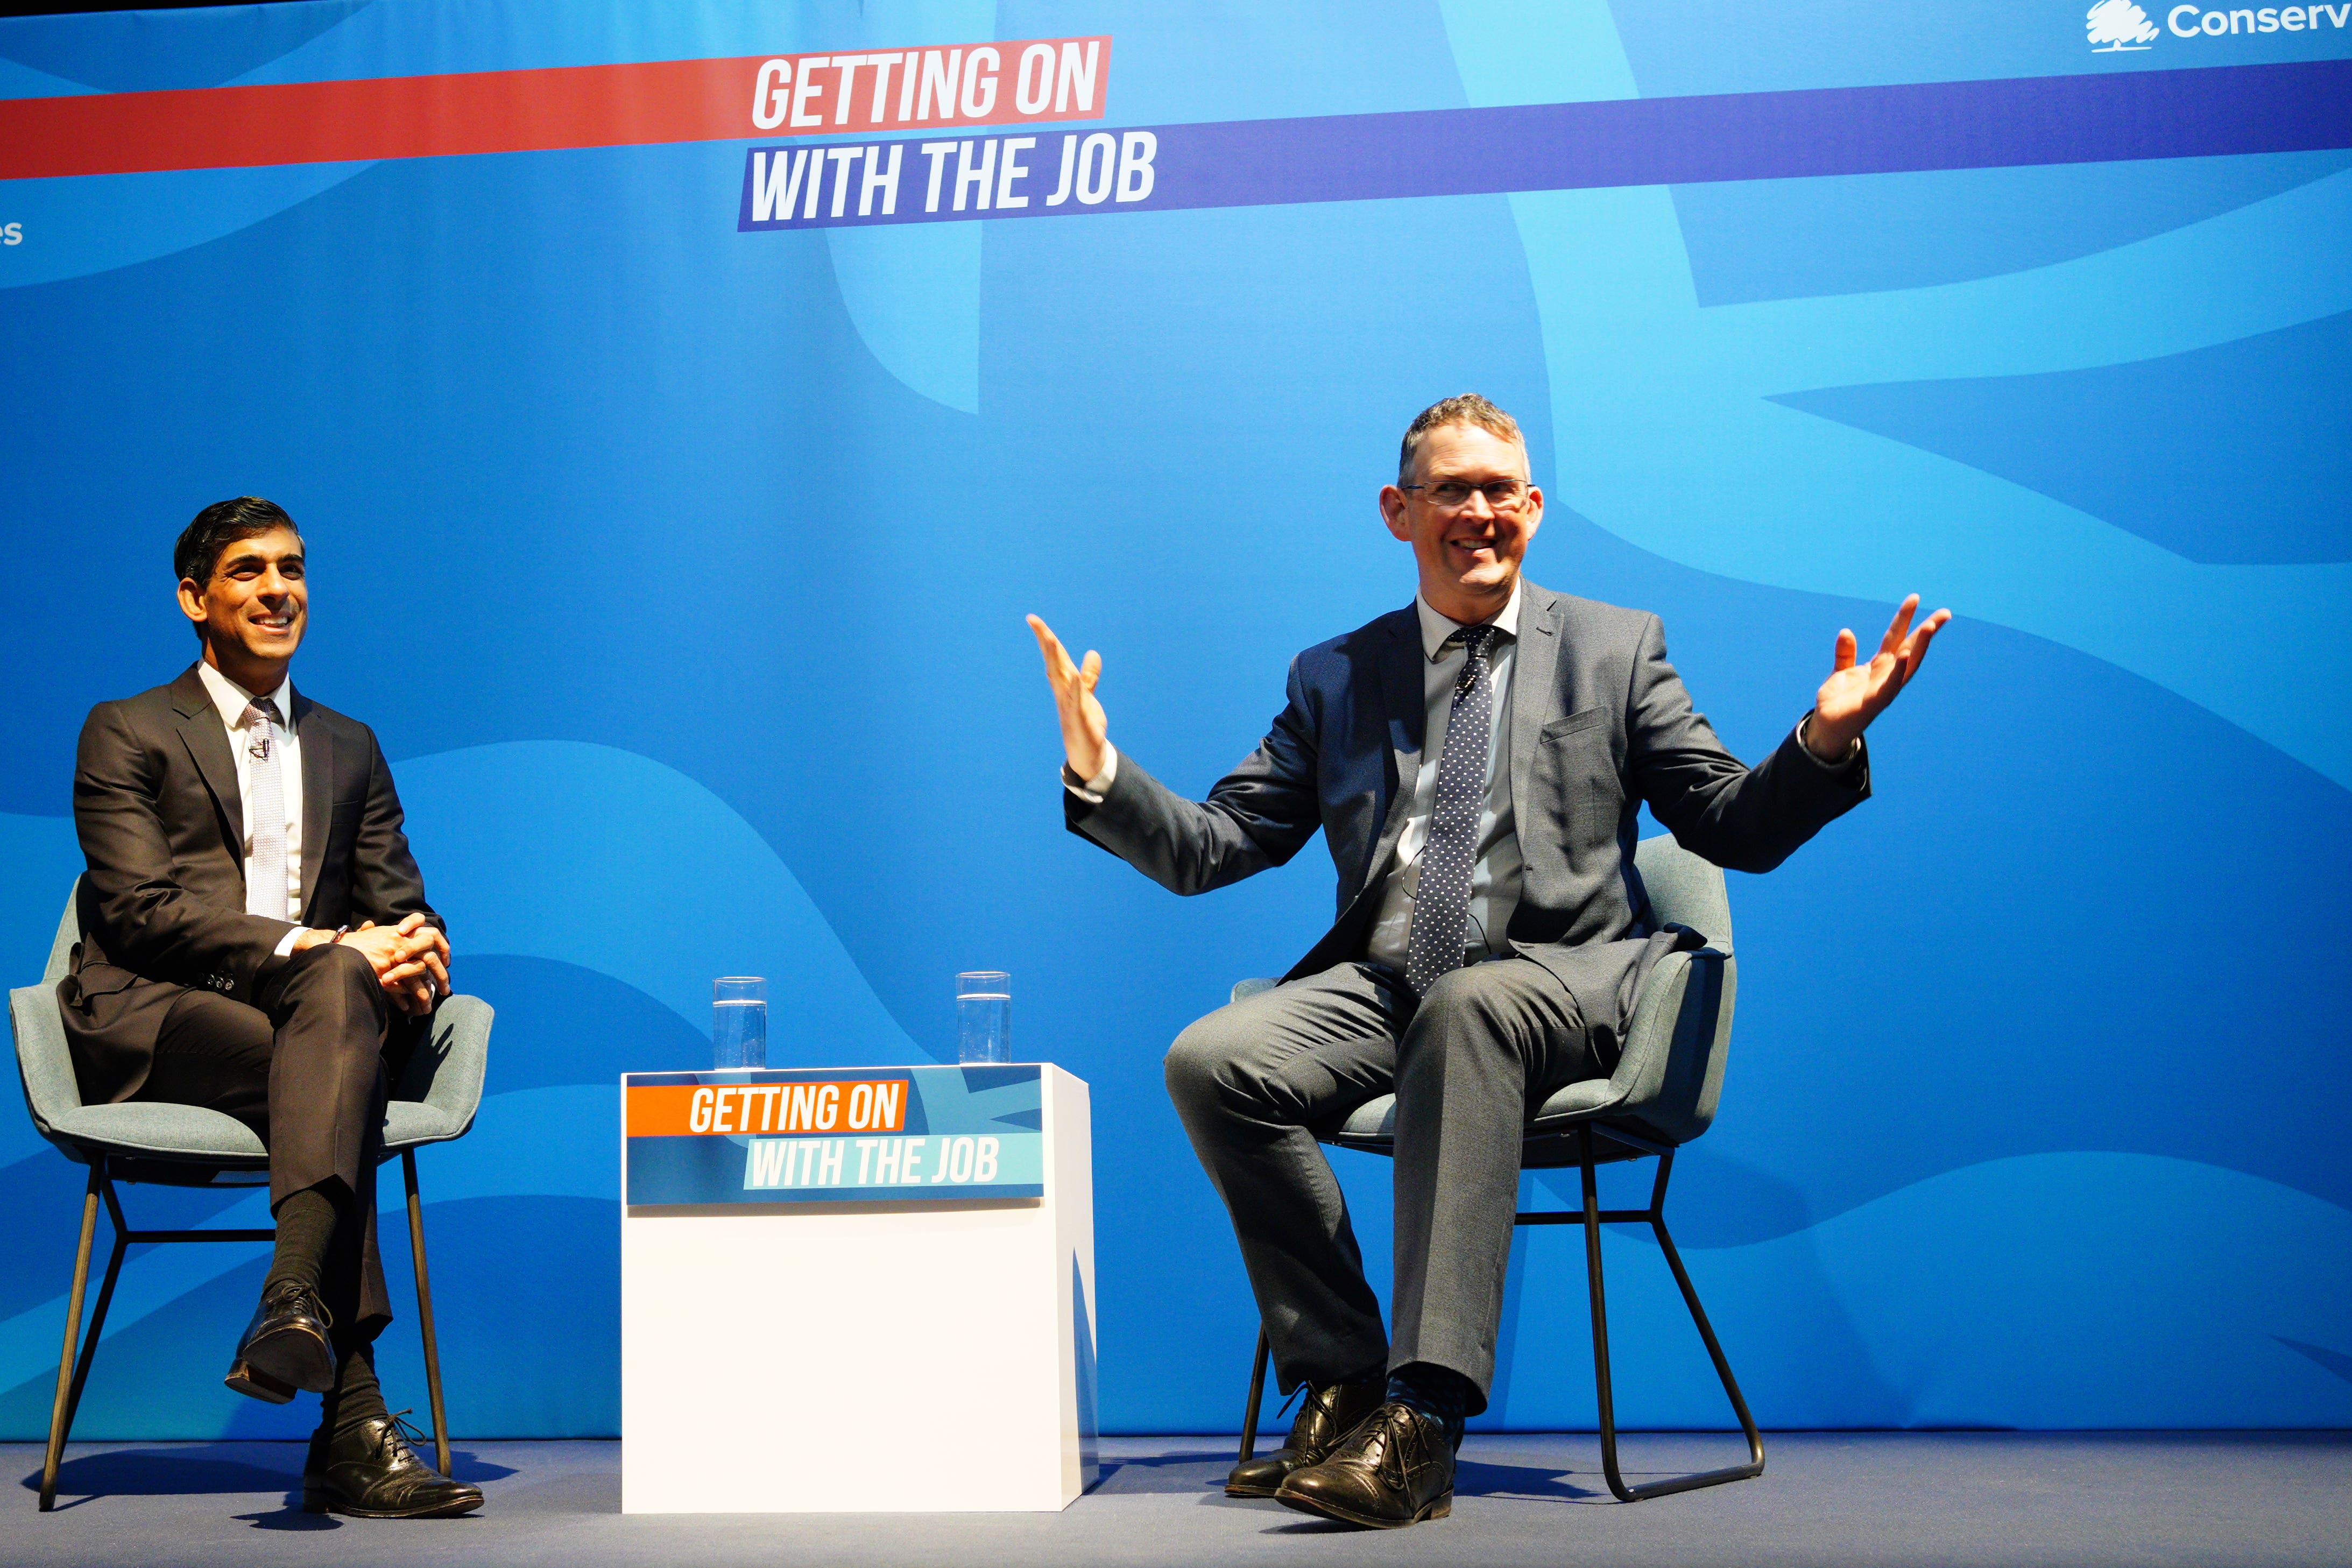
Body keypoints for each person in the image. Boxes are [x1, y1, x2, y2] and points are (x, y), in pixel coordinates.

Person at [1028, 395, 1948, 1529]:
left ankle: (1421, 1418)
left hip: (1561, 983)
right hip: (1386, 986)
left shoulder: (1615, 647)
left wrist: (1822, 742)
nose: (1478, 512)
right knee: (1210, 1059)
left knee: (1466, 1006)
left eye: (1499, 490)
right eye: (1451, 490)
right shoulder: (1336, 675)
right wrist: (1102, 770)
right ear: (1397, 511)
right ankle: (1343, 1367)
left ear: (1532, 506)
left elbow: (1727, 825)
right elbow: (1219, 843)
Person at [59, 497, 483, 1520]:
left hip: (314, 1027)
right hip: (158, 1015)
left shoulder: (351, 743)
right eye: (247, 571)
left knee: (335, 1017)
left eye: (291, 568)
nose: (277, 588)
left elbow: (398, 904)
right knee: (338, 1038)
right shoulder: (127, 729)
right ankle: (353, 1413)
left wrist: (417, 940)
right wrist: (328, 947)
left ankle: (293, 1303)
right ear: (194, 599)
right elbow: (141, 913)